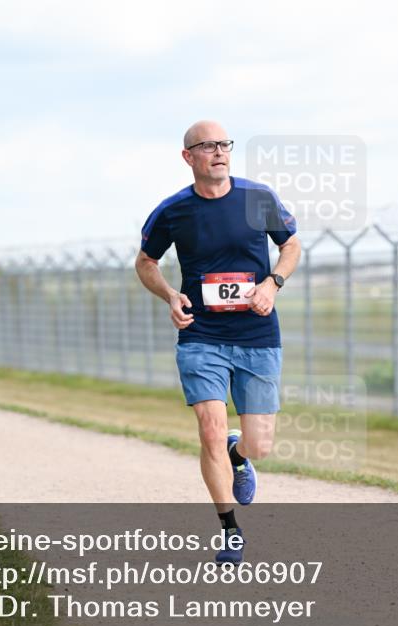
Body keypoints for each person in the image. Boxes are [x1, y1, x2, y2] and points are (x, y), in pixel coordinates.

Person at [135, 121, 301, 564]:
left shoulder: (257, 199)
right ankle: (229, 528)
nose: (219, 152)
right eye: (208, 146)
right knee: (208, 428)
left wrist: (273, 283)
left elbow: (292, 246)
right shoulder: (173, 211)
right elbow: (146, 261)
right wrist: (171, 294)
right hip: (201, 335)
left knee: (260, 444)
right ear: (188, 156)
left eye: (224, 144)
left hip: (257, 335)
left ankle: (239, 452)